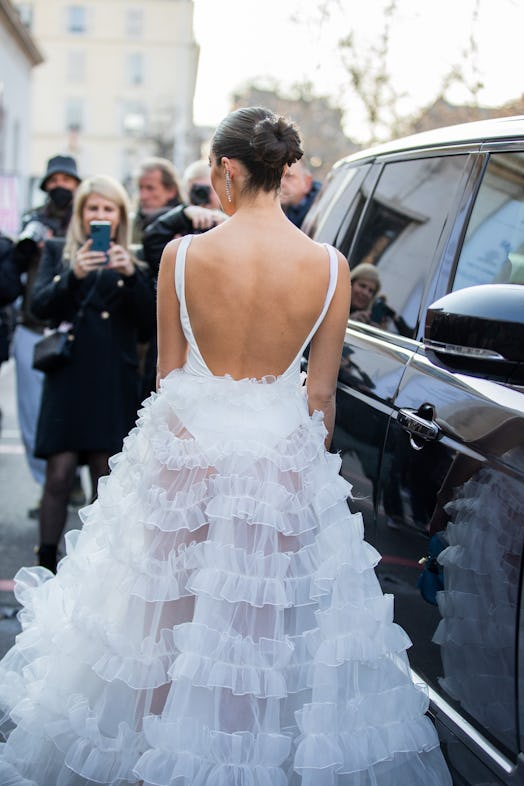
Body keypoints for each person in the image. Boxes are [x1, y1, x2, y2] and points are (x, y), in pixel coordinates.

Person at [0, 107, 451, 785]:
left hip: (188, 453)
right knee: (261, 636)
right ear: (284, 171)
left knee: (158, 628)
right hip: (277, 461)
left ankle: (152, 760)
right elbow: (320, 398)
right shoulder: (329, 268)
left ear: (228, 170)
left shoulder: (183, 255)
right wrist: (302, 473)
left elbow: (169, 377)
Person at [29, 174, 156, 573]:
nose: (100, 216)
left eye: (108, 209)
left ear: (120, 216)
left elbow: (150, 321)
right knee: (60, 474)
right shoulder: (58, 252)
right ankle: (46, 563)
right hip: (68, 377)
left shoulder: (133, 258)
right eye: (93, 209)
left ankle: (96, 569)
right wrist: (73, 276)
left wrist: (132, 276)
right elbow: (40, 307)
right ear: (81, 215)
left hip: (113, 378)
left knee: (106, 476)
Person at [12, 154, 84, 515]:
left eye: (67, 182)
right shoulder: (32, 222)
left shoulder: (87, 223)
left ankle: (70, 481)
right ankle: (47, 488)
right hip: (33, 327)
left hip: (72, 330)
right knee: (30, 415)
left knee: (71, 413)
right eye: (54, 182)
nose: (61, 188)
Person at [140, 160, 227, 397]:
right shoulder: (174, 224)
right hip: (174, 335)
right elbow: (151, 243)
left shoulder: (232, 227)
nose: (201, 195)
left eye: (206, 188)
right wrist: (182, 215)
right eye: (195, 189)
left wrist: (223, 221)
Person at [131, 156, 183, 243]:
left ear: (171, 191)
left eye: (150, 188)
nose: (143, 196)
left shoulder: (187, 225)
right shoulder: (130, 225)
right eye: (140, 188)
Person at [279, 157, 322, 228]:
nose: (280, 183)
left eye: (288, 176)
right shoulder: (288, 209)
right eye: (277, 177)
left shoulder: (320, 212)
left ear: (307, 183)